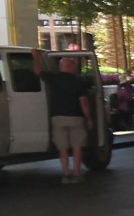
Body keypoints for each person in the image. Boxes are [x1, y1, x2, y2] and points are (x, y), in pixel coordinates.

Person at [40, 55, 96, 184]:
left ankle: (66, 174)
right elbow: (84, 102)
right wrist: (88, 118)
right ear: (71, 67)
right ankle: (76, 174)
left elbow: (37, 72)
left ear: (61, 67)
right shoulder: (78, 82)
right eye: (74, 66)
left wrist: (35, 56)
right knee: (77, 147)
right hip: (76, 118)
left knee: (62, 148)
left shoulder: (52, 78)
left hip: (57, 118)